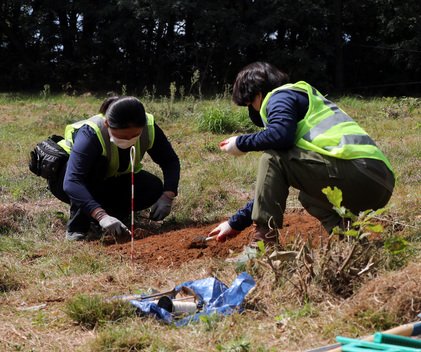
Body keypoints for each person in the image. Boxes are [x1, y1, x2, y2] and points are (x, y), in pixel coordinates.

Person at [209, 62, 395, 246]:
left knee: (272, 156)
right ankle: (352, 242)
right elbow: (270, 189)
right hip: (379, 184)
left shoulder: (279, 97)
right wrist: (235, 223)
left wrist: (240, 143)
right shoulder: (304, 99)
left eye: (250, 103)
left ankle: (263, 246)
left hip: (357, 174)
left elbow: (280, 136)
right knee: (308, 197)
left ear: (259, 93)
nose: (254, 110)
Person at [49, 96, 181, 241]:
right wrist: (102, 216)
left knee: (153, 187)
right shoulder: (92, 133)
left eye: (135, 136)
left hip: (108, 181)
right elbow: (72, 181)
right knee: (97, 165)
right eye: (122, 136)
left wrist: (168, 195)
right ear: (107, 123)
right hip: (66, 182)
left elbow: (170, 161)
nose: (129, 140)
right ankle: (77, 228)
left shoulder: (148, 127)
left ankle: (109, 217)